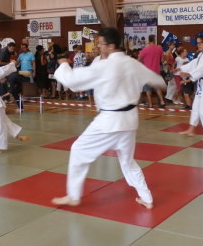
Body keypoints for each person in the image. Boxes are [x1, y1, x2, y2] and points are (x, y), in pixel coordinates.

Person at [51, 27, 166, 209]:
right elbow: (158, 80)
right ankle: (147, 198)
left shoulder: (105, 66)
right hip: (129, 121)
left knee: (78, 150)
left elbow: (72, 81)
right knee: (127, 162)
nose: (98, 46)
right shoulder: (132, 63)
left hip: (109, 121)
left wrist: (64, 64)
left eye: (100, 44)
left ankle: (73, 195)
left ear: (111, 46)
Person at [178, 35, 203, 141]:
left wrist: (189, 74)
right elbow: (194, 64)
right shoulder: (201, 54)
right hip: (202, 85)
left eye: (200, 43)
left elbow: (202, 69)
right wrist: (181, 68)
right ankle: (191, 129)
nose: (198, 45)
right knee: (195, 108)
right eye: (197, 43)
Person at [138, 34, 167, 108]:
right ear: (155, 40)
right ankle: (162, 101)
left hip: (147, 72)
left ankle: (150, 104)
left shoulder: (145, 49)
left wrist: (143, 62)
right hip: (156, 71)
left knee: (148, 88)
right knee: (157, 87)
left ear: (149, 40)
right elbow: (162, 61)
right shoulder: (159, 49)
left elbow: (139, 59)